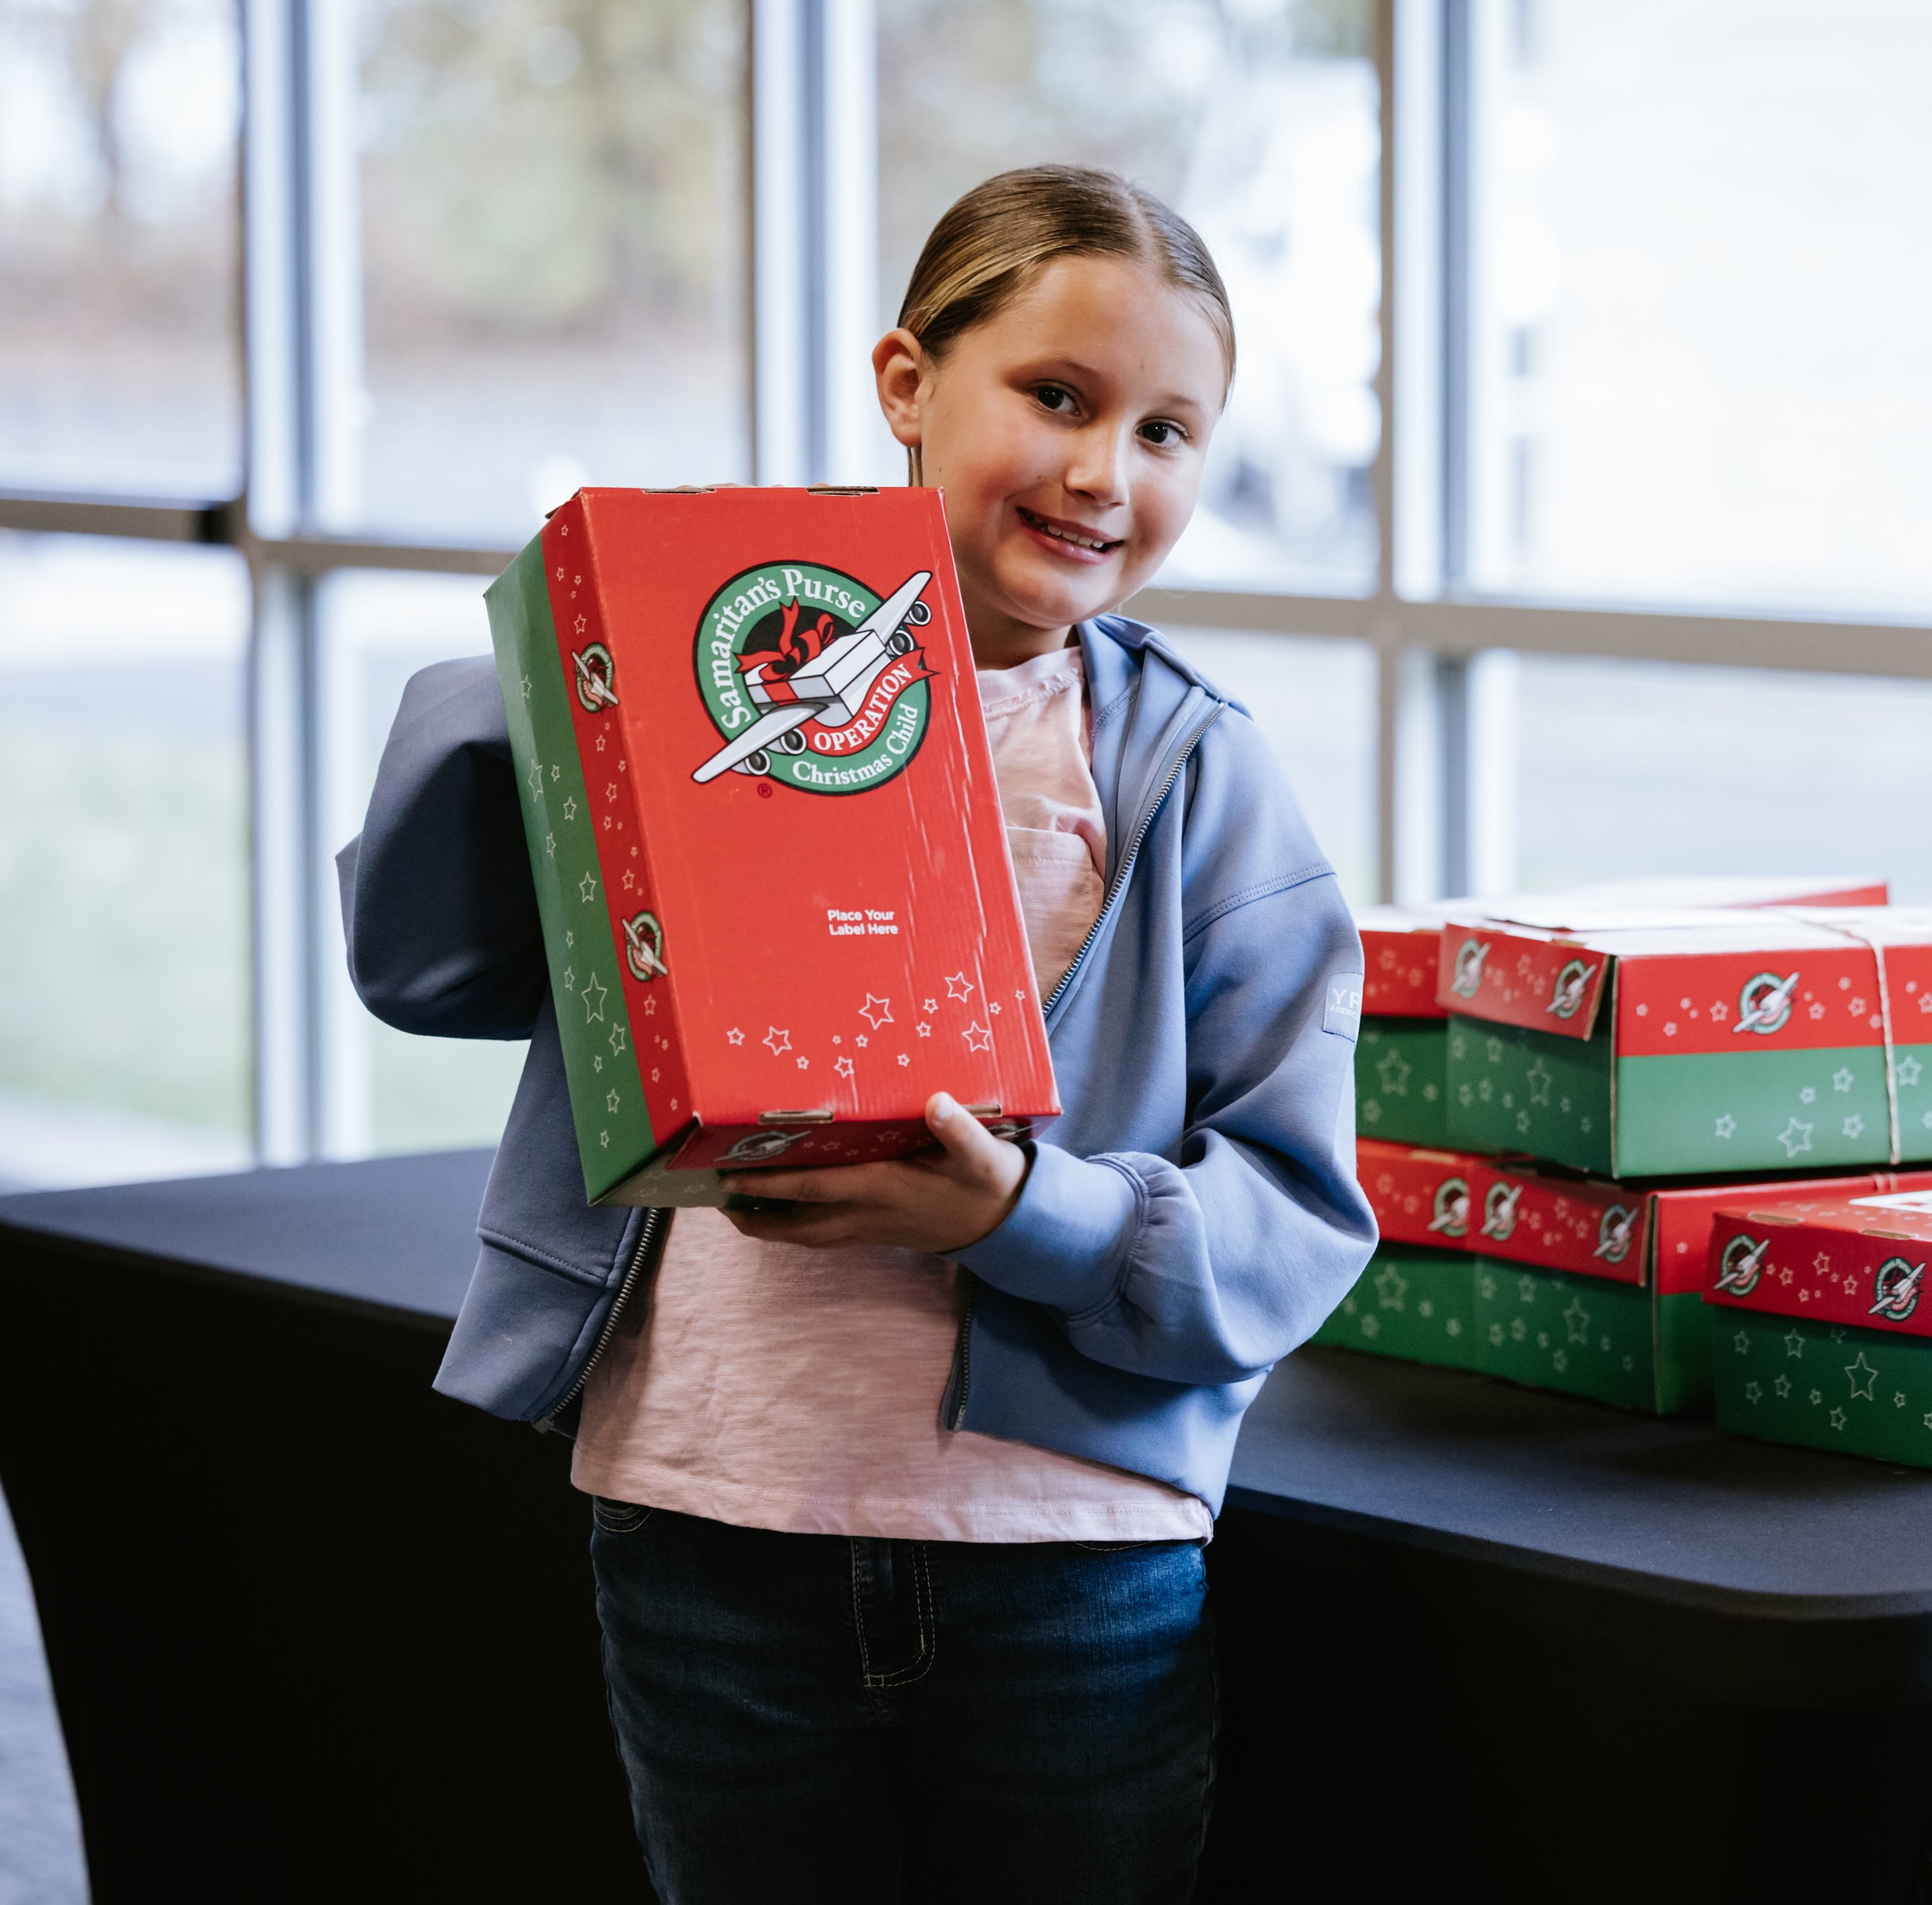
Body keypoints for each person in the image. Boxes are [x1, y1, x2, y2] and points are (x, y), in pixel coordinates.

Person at [337, 163, 1374, 1904]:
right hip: (710, 1517)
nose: (1105, 471)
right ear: (908, 383)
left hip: (1071, 1554)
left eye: (1169, 431)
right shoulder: (702, 673)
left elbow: (1298, 1218)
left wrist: (1013, 1215)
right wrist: (546, 665)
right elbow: (429, 968)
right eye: (1057, 395)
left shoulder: (1193, 770)